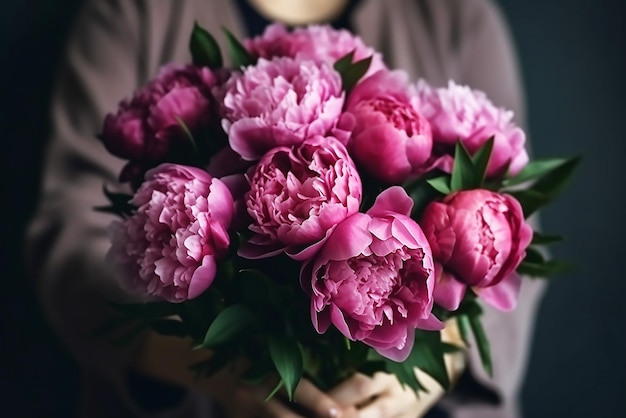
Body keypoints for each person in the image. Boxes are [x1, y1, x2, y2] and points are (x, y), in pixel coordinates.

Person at [24, 0, 546, 416]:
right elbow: (68, 229)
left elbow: (517, 231)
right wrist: (210, 369)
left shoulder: (456, 13)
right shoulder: (132, 10)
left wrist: (431, 374)